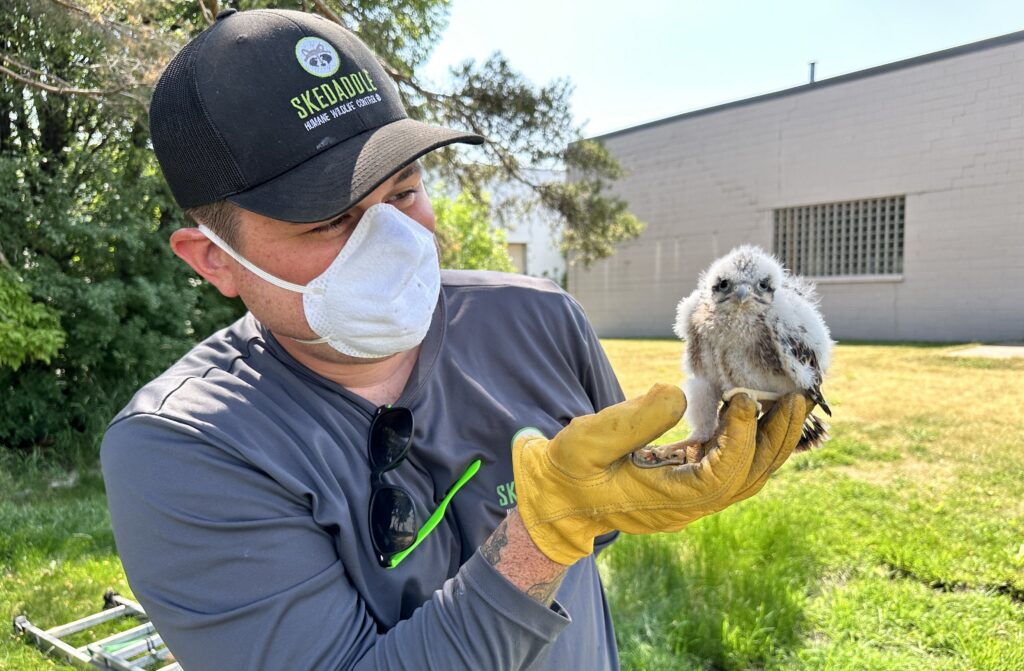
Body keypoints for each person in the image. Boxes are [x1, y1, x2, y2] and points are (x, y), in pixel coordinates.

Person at [100, 8, 811, 671]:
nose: (398, 243)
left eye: (404, 192)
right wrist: (539, 538)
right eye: (329, 221)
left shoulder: (540, 320)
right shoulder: (186, 449)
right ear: (213, 259)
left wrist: (649, 485)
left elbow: (606, 524)